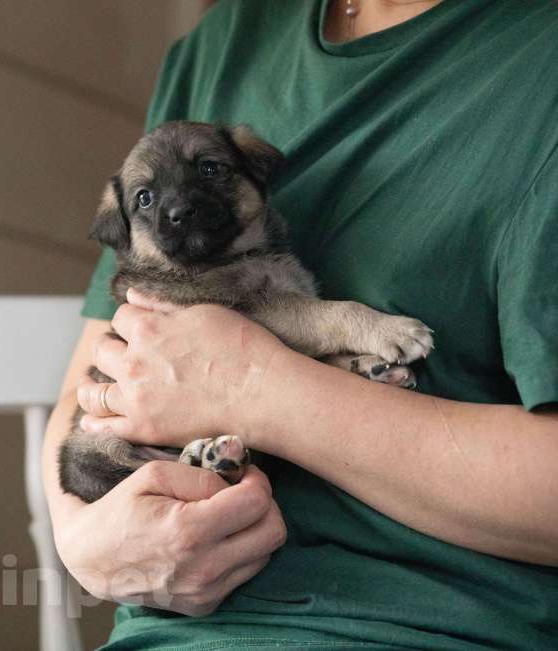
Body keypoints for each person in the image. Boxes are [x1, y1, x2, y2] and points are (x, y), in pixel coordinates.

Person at [41, 1, 558, 649]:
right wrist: (81, 539)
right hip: (172, 625)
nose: (177, 203)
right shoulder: (223, 41)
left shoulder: (536, 61)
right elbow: (89, 390)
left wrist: (258, 385)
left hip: (417, 624)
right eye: (151, 200)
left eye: (208, 172)